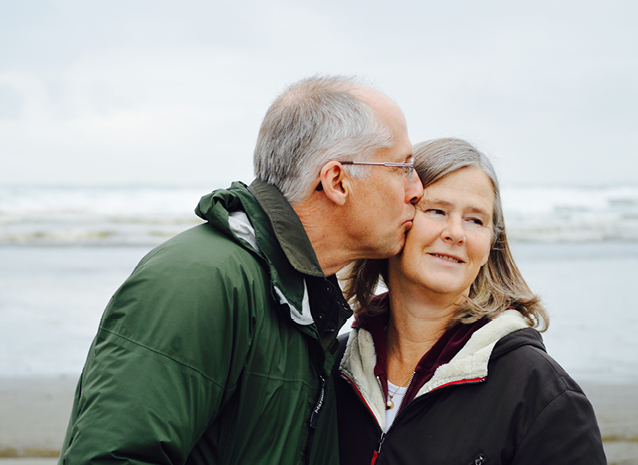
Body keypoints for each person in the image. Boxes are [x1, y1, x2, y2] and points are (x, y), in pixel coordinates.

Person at [57, 75, 423, 465]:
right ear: (336, 181)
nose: (416, 189)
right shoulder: (200, 279)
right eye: (402, 167)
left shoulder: (303, 299)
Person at [334, 138, 606, 465]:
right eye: (436, 211)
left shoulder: (541, 392)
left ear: (492, 243)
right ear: (397, 218)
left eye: (475, 219)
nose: (455, 232)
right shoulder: (334, 366)